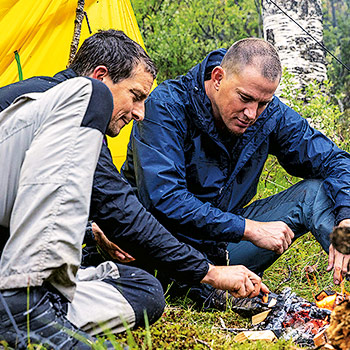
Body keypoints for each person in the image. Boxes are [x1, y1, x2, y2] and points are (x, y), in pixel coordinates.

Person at [0, 31, 268, 348]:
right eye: (136, 96)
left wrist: (91, 229)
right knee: (89, 97)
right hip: (20, 282)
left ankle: (31, 317)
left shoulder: (72, 137)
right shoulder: (61, 98)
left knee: (146, 289)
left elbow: (42, 203)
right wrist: (208, 272)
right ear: (102, 75)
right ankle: (28, 309)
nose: (140, 112)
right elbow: (120, 210)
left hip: (9, 274)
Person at [122, 38, 350, 303]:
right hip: (161, 250)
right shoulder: (165, 107)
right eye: (245, 98)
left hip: (223, 246)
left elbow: (335, 160)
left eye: (263, 103)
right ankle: (203, 288)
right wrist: (248, 228)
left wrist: (345, 220)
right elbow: (164, 199)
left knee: (316, 193)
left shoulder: (269, 113)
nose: (252, 113)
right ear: (218, 78)